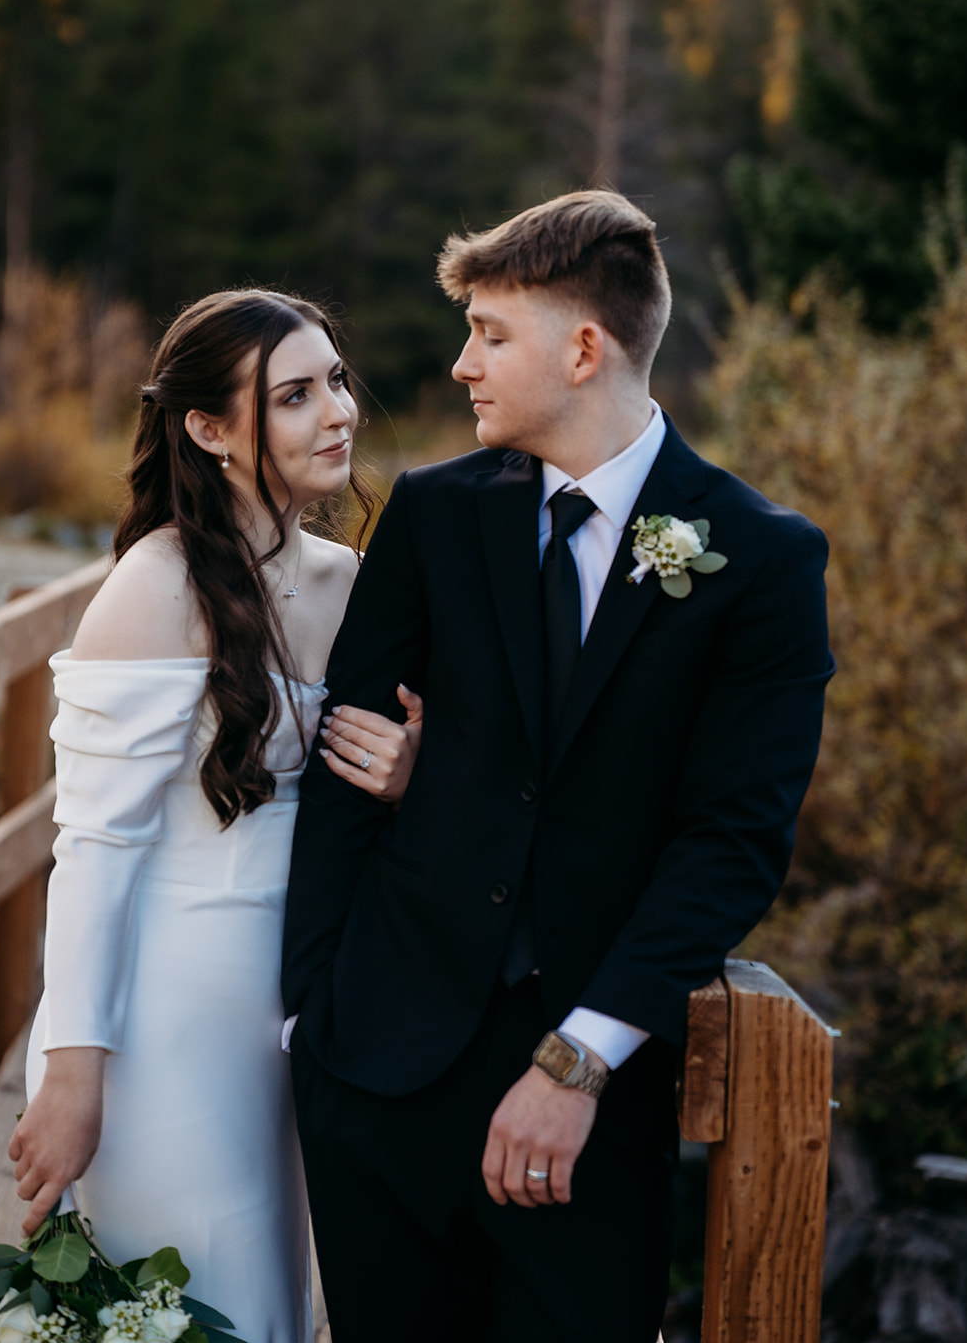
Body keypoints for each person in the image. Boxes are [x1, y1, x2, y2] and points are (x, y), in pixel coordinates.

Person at [281, 189, 835, 1343]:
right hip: (374, 1079)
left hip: (586, 1116)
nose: (459, 365)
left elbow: (731, 838)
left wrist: (578, 1061)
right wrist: (310, 1017)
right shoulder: (431, 516)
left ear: (582, 348)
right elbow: (344, 766)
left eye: (488, 333)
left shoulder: (759, 558)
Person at [9, 290, 422, 1343]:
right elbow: (93, 853)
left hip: (302, 1004)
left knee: (280, 1298)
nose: (336, 412)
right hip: (169, 1016)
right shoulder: (150, 589)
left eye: (335, 380)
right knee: (206, 1294)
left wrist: (408, 771)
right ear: (207, 428)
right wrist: (71, 1068)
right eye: (293, 394)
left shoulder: (351, 583)